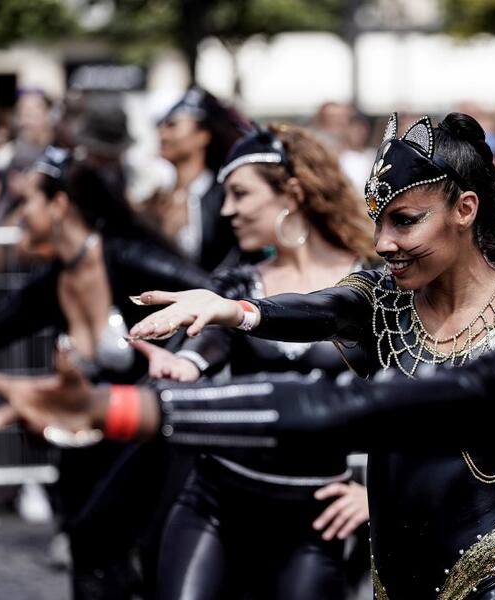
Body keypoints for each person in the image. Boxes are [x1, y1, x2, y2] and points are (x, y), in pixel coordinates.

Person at [100, 112, 495, 599]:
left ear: (465, 209)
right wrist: (236, 310)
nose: (383, 244)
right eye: (379, 223)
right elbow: (319, 309)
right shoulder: (382, 304)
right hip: (394, 583)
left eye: (405, 221)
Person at [132, 123, 378, 600]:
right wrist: (184, 366)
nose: (227, 211)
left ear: (292, 193)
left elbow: (416, 398)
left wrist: (378, 496)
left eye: (240, 195)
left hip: (316, 518)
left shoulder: (372, 286)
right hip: (217, 502)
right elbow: (206, 346)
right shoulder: (237, 285)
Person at [0, 146, 214, 599]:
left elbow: (210, 300)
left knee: (144, 558)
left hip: (147, 441)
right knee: (88, 554)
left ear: (59, 205)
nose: (20, 215)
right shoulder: (50, 284)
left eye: (29, 202)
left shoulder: (129, 260)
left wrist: (176, 358)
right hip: (82, 446)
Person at [142, 87, 249, 271]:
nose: (162, 134)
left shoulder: (225, 196)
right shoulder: (157, 197)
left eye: (172, 126)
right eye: (162, 126)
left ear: (202, 136)